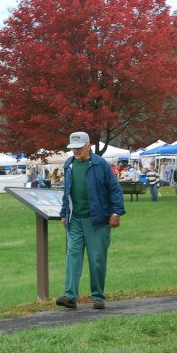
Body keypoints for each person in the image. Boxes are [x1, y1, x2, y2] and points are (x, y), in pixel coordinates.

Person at [57, 131, 125, 310]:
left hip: (98, 220)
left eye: (79, 148)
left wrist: (116, 213)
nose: (76, 151)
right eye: (73, 148)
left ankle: (98, 296)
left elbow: (115, 189)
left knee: (96, 258)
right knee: (72, 256)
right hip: (76, 220)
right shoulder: (69, 165)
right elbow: (67, 193)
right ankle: (70, 296)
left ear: (88, 146)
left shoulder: (100, 164)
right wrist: (64, 213)